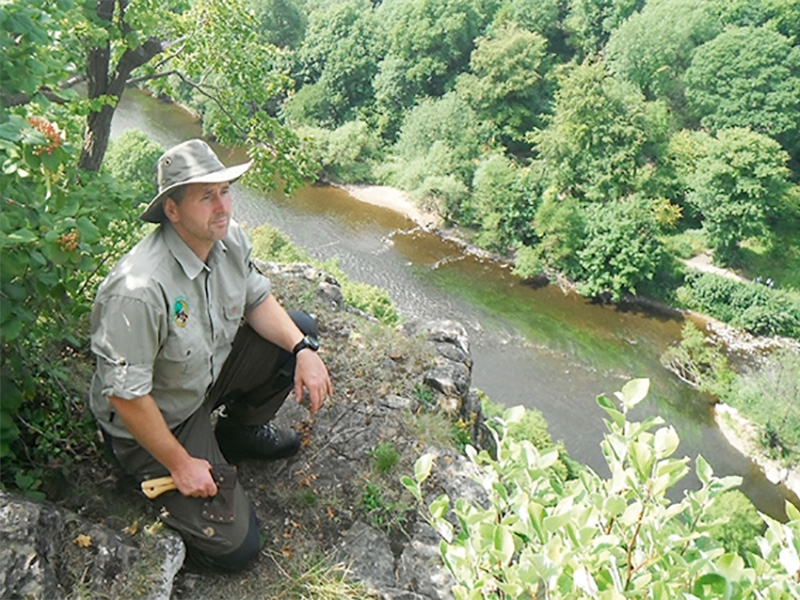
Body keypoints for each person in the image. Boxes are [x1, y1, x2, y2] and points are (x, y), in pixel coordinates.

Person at [89, 138, 333, 571]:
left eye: (225, 191)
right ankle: (158, 480)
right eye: (206, 196)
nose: (222, 207)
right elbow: (126, 397)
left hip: (202, 382)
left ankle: (238, 434)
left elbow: (257, 300)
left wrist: (303, 349)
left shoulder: (228, 239)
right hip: (158, 419)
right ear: (172, 210)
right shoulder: (139, 291)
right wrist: (181, 464)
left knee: (300, 331)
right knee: (238, 547)